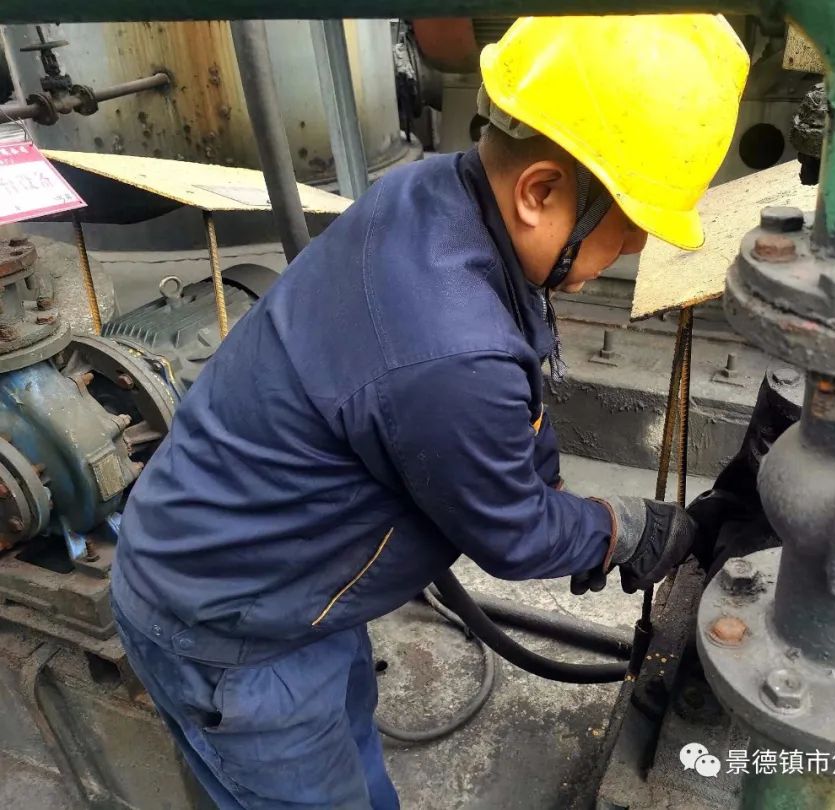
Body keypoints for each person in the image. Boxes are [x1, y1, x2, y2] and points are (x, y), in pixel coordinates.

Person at [110, 14, 748, 810]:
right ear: (540, 192)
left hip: (277, 585)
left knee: (352, 766)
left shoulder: (433, 193)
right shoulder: (452, 352)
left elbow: (503, 416)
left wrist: (560, 499)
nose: (629, 254)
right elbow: (512, 532)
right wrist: (621, 530)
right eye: (626, 233)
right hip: (228, 630)